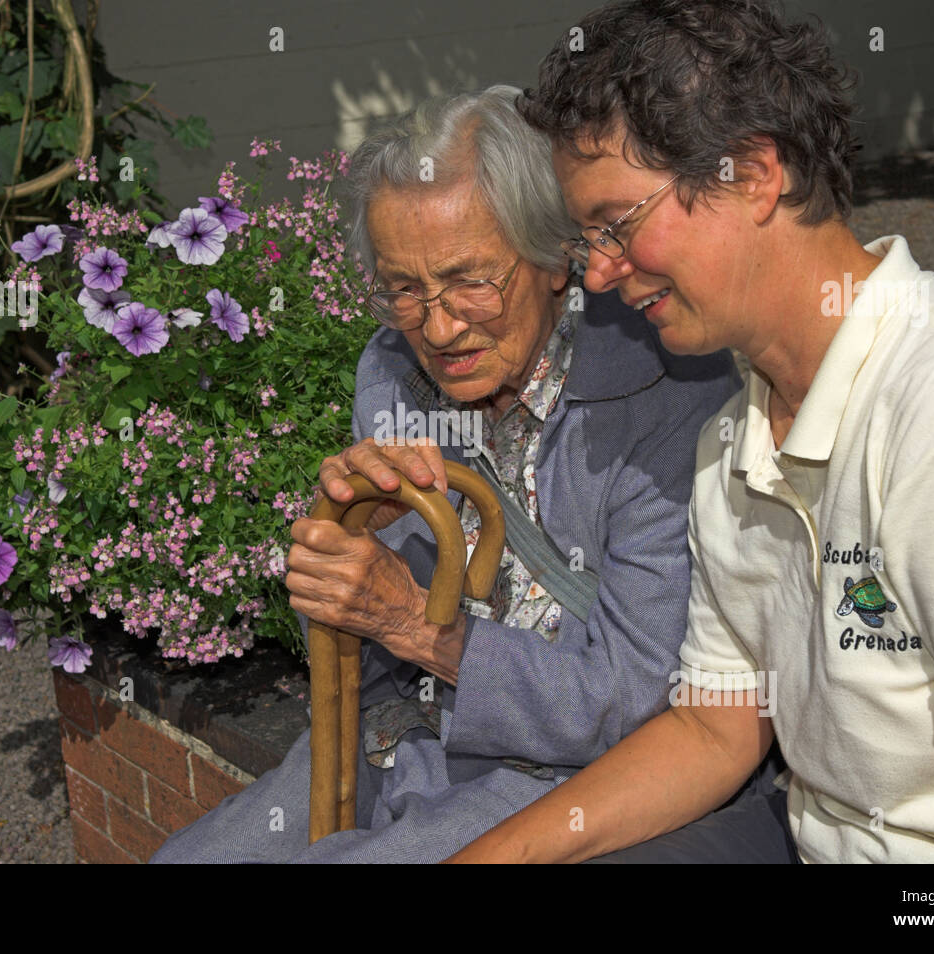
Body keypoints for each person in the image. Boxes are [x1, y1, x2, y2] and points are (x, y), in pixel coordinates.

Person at [449, 0, 934, 864]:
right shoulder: (733, 438)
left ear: (753, 174)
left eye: (618, 224)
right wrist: (499, 856)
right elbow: (717, 730)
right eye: (586, 238)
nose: (596, 273)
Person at [150, 86, 770, 864]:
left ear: (552, 257)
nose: (438, 328)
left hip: (554, 782)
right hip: (395, 741)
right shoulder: (390, 371)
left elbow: (633, 700)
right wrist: (340, 559)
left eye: (470, 279)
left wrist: (415, 623)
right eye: (403, 288)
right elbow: (352, 658)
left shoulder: (665, 392)